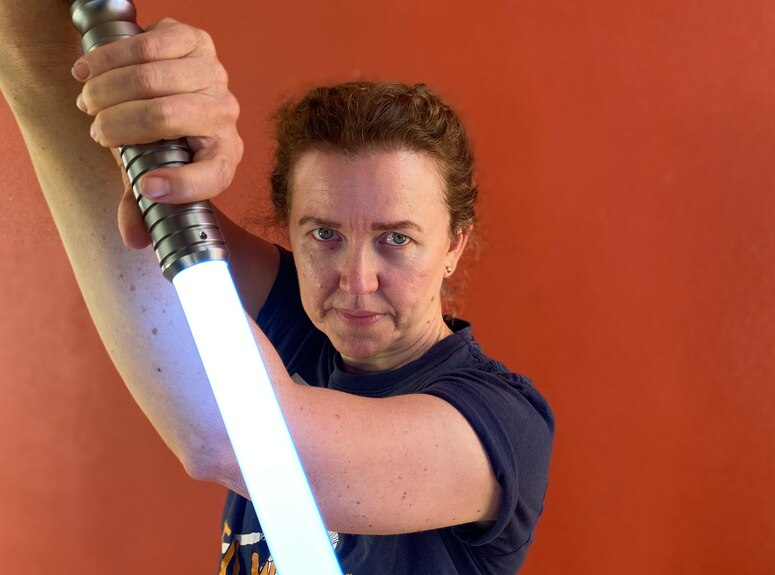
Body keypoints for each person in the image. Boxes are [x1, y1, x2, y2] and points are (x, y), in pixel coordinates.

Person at [0, 5, 553, 574]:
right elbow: (40, 80)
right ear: (289, 228)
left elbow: (243, 443)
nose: (356, 281)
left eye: (395, 238)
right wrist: (152, 124)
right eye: (324, 234)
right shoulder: (294, 320)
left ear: (454, 246)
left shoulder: (500, 425)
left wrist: (162, 190)